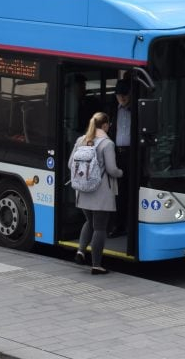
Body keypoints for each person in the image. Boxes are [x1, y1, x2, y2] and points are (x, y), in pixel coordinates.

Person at [71, 112, 122, 275]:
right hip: (100, 193)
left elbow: (69, 164)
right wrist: (121, 173)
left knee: (89, 221)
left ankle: (80, 251)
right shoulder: (107, 144)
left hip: (82, 191)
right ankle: (96, 265)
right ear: (106, 125)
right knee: (100, 228)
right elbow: (112, 169)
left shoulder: (81, 140)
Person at [110, 78, 133, 236]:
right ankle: (118, 225)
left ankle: (129, 224)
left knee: (130, 191)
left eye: (125, 94)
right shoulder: (112, 110)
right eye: (119, 95)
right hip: (117, 154)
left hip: (132, 155)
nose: (122, 98)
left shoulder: (136, 110)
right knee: (118, 192)